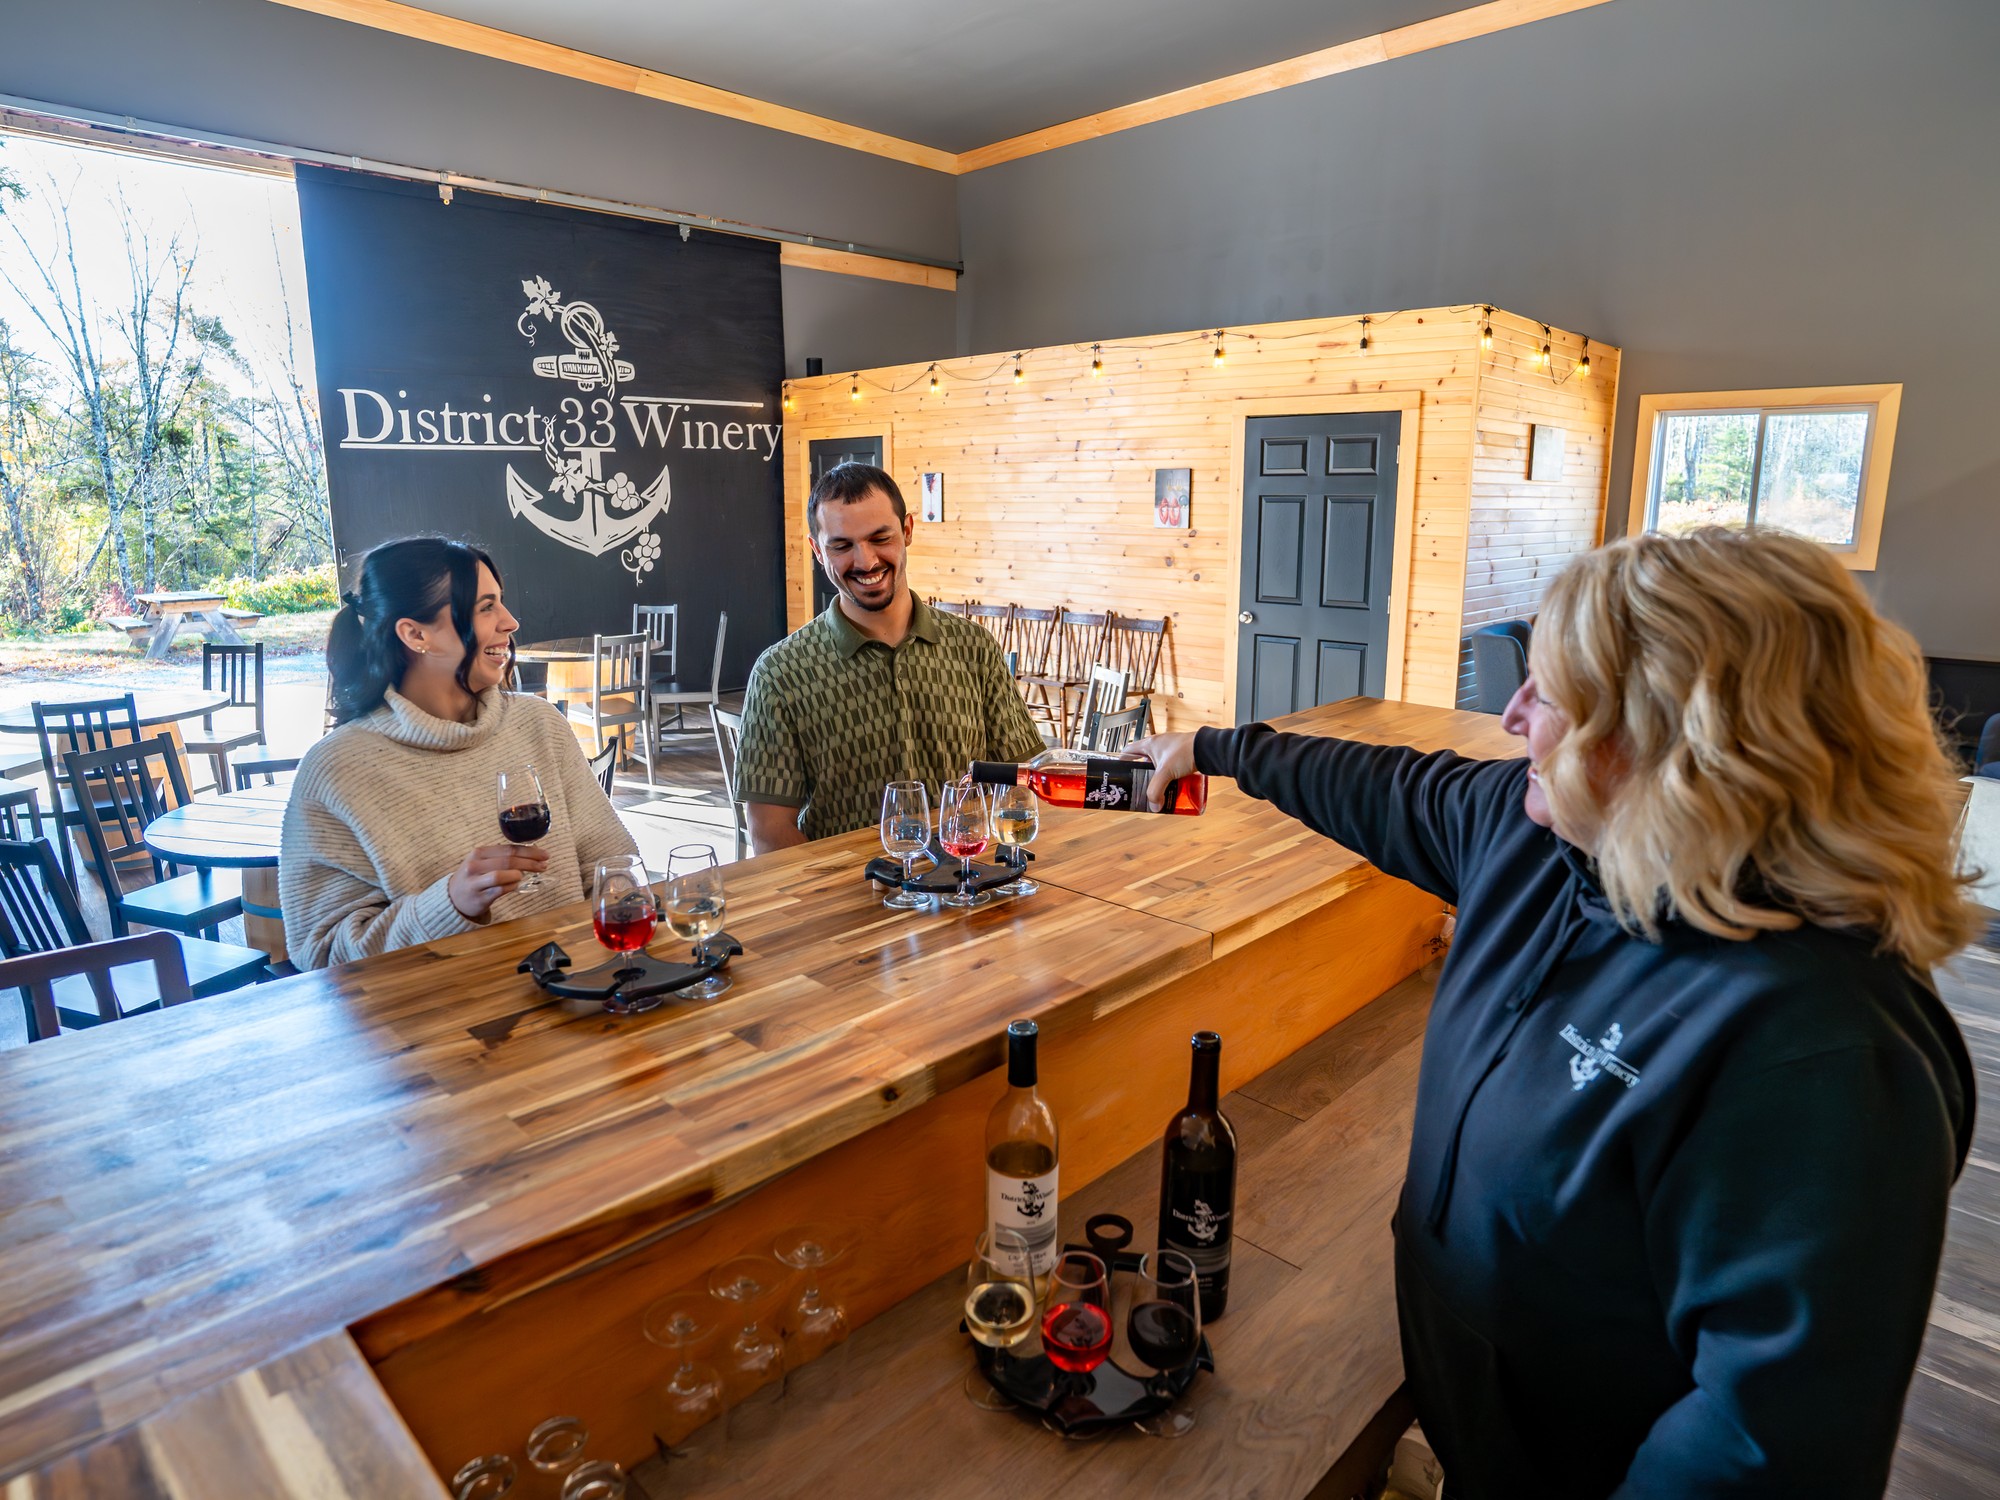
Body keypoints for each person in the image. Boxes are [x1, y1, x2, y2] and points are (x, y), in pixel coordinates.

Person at [1135, 527, 1977, 1497]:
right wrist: (1212, 747)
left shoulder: (1816, 1045)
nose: (1508, 716)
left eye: (1548, 695)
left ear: (1673, 738)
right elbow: (1385, 786)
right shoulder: (1538, 833)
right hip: (1480, 1440)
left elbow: (1759, 1450)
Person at [280, 537, 640, 970]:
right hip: (444, 1022)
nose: (509, 621)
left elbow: (613, 863)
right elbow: (323, 958)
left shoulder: (539, 724)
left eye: (501, 603)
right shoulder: (337, 771)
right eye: (485, 607)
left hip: (579, 992)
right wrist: (449, 904)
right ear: (416, 634)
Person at [735, 463, 1044, 852]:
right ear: (817, 550)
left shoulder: (974, 646)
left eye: (880, 538)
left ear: (908, 531)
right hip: (849, 904)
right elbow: (768, 830)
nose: (865, 562)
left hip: (969, 892)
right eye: (842, 545)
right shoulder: (780, 673)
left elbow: (1025, 780)